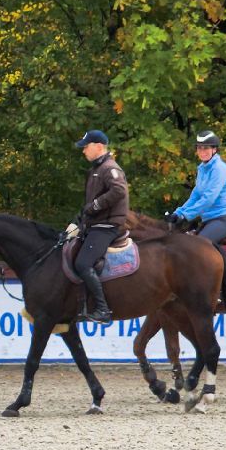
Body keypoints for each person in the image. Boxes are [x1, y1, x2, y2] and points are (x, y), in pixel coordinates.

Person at [72, 128, 129, 324]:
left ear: (98, 147)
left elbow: (119, 191)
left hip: (107, 226)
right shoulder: (96, 169)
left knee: (82, 263)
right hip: (96, 224)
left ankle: (103, 310)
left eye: (85, 147)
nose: (83, 151)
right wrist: (77, 220)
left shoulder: (109, 168)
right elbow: (90, 204)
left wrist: (95, 206)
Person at [170, 129, 226, 243]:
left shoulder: (219, 169)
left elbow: (208, 199)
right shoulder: (202, 168)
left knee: (198, 247)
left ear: (214, 149)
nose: (202, 151)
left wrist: (185, 216)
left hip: (223, 219)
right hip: (208, 220)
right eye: (199, 148)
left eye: (206, 148)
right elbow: (195, 196)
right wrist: (178, 213)